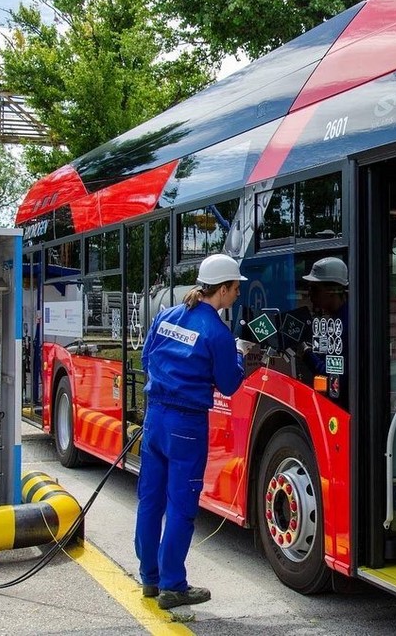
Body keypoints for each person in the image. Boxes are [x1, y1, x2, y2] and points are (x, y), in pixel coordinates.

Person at [134, 253, 253, 609]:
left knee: (150, 500)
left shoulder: (168, 315)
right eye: (235, 289)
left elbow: (146, 359)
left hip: (154, 417)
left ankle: (149, 578)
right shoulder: (217, 331)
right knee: (181, 505)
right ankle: (173, 585)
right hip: (186, 425)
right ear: (223, 288)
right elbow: (230, 384)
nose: (236, 295)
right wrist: (241, 356)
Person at [299, 257, 348, 383]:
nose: (309, 295)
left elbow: (332, 373)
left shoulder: (344, 324)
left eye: (315, 289)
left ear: (332, 291)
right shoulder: (333, 320)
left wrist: (306, 353)